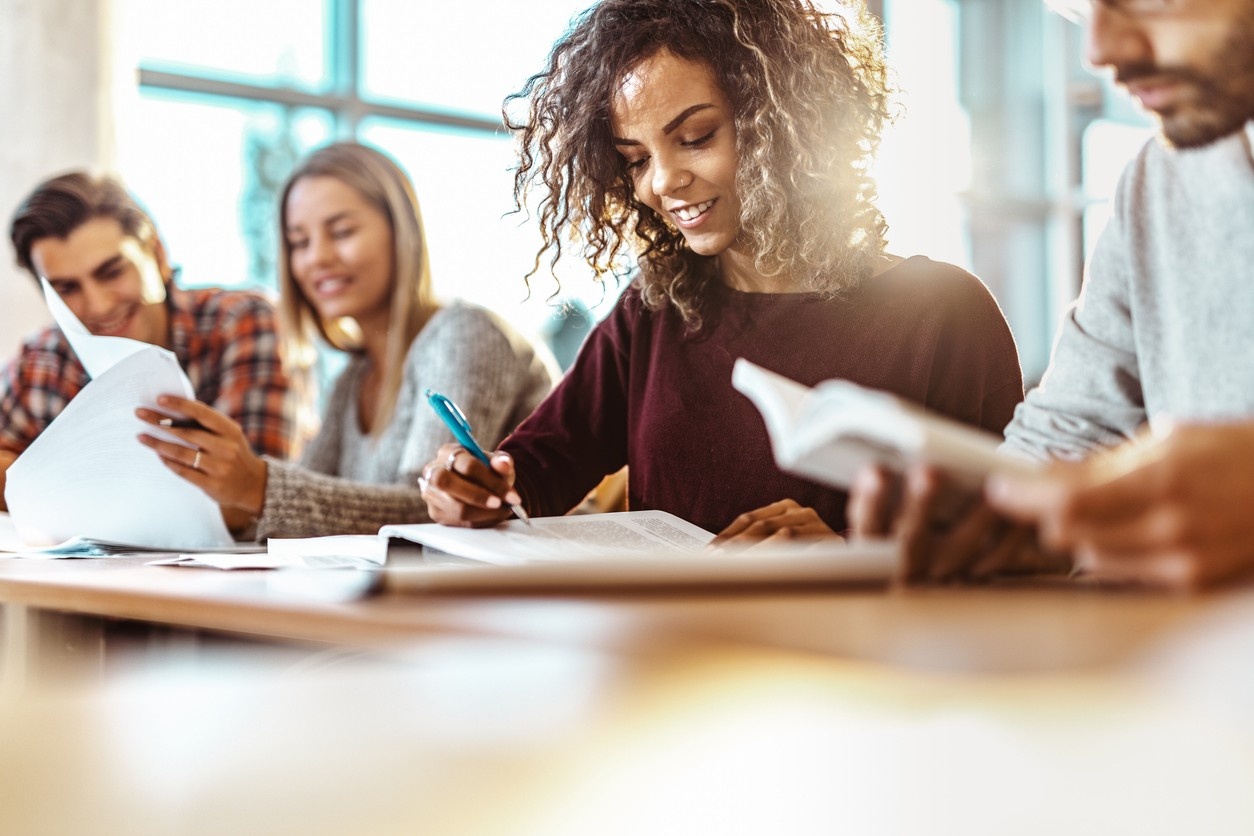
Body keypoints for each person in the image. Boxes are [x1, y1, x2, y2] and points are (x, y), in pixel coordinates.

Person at [418, 0, 1023, 541]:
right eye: (635, 160)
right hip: (677, 654)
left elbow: (1014, 546)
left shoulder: (944, 313)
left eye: (696, 136)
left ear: (785, 125)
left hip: (859, 659)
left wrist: (843, 559)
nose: (661, 183)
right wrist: (476, 489)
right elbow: (535, 471)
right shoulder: (653, 312)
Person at [851, 0, 1254, 588]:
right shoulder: (1161, 180)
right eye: (1077, 6)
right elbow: (1076, 428)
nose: (1100, 51)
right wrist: (989, 518)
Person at [135, 142, 555, 538]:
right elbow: (308, 497)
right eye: (299, 242)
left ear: (400, 231)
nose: (316, 257)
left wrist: (257, 488)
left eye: (341, 232)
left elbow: (429, 510)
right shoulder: (353, 379)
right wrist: (232, 496)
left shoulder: (464, 333)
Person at [1, 173, 301, 521]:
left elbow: (253, 498)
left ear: (157, 255)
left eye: (112, 272)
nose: (98, 306)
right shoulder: (39, 360)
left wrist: (51, 488)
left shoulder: (242, 322)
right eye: (67, 289)